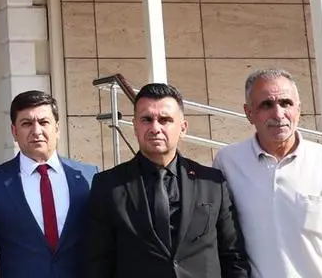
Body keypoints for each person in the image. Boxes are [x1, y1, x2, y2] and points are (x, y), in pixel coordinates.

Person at [213, 68, 322, 278]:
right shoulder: (228, 161)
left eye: (286, 103)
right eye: (266, 105)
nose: (278, 114)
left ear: (298, 108)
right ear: (249, 113)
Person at [84, 82, 248, 278]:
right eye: (147, 119)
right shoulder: (108, 185)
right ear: (135, 126)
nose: (155, 128)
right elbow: (98, 262)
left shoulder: (212, 183)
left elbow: (233, 255)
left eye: (165, 120)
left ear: (183, 128)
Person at [0, 90, 98, 278]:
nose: (36, 131)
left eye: (43, 122)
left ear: (57, 128)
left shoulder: (89, 177)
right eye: (26, 123)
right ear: (14, 132)